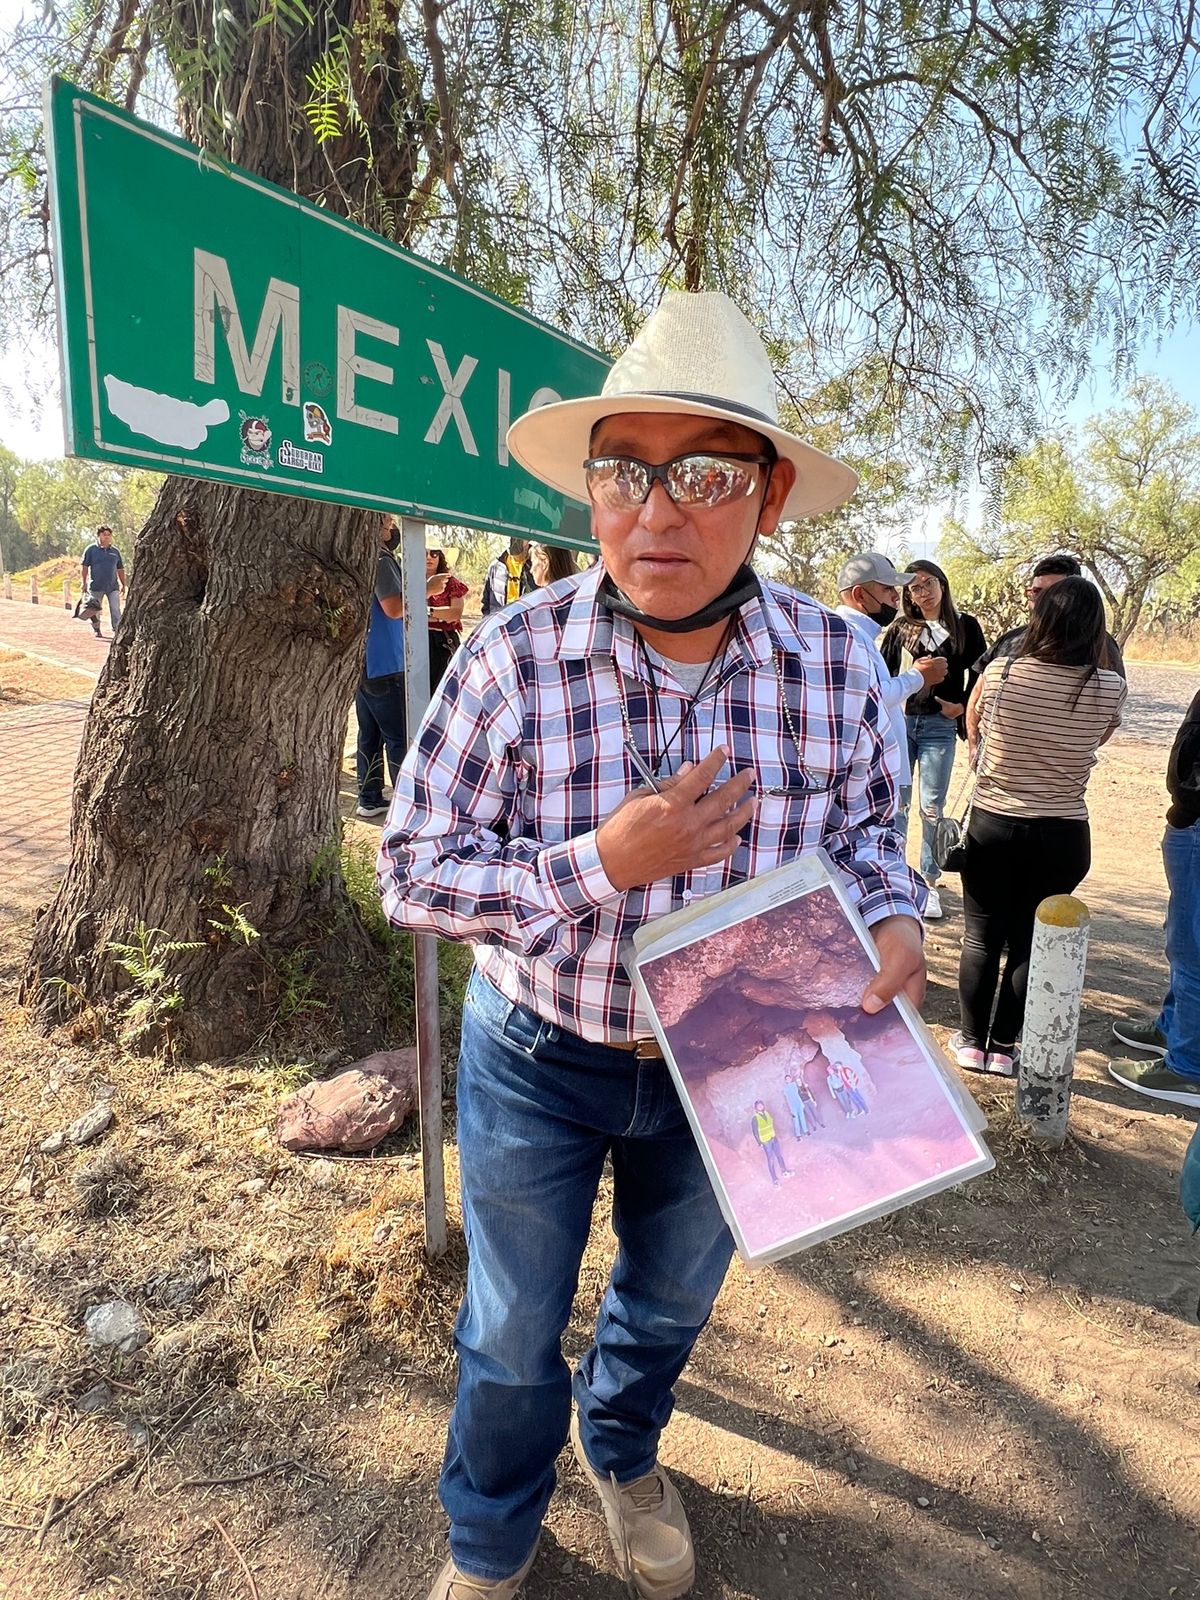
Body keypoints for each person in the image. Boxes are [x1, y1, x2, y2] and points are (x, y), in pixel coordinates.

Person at [377, 289, 926, 1600]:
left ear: (772, 495)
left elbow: (861, 832)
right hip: (538, 1048)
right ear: (588, 492)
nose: (656, 511)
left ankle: (619, 1455)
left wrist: (894, 910)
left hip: (736, 1051)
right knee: (511, 1328)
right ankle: (491, 1538)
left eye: (700, 472)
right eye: (624, 472)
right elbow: (410, 873)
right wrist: (601, 866)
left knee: (673, 1298)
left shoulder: (842, 664)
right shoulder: (513, 658)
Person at [950, 578, 1126, 1075]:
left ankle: (969, 1042)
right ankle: (1004, 1047)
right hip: (1064, 831)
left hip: (995, 823)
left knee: (982, 938)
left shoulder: (1004, 671)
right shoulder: (1110, 686)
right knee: (1031, 943)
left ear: (1040, 618)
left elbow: (974, 722)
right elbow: (1102, 733)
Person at [1108, 686, 1200, 1108]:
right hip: (1191, 823)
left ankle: (1187, 1067)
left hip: (1197, 824)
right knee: (1181, 937)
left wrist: (1188, 803)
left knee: (1192, 949)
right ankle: (1174, 1027)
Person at [880, 560, 986, 923]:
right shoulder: (901, 629)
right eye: (913, 588)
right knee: (898, 804)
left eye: (927, 584)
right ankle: (895, 880)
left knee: (932, 806)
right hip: (903, 725)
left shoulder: (966, 627)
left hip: (940, 726)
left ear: (942, 584)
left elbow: (980, 675)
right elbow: (884, 676)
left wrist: (963, 707)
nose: (920, 592)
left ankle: (928, 882)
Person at [835, 552, 949, 797]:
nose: (897, 597)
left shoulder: (859, 634)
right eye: (887, 589)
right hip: (867, 774)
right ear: (859, 595)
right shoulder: (848, 636)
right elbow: (870, 697)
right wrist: (918, 677)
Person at [973, 554, 1127, 680]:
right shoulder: (1010, 640)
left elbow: (1113, 702)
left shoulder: (1102, 645)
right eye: (1036, 591)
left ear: (1076, 594)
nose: (1042, 600)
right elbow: (979, 696)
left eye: (1053, 593)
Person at [354, 516, 408, 820]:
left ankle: (370, 796)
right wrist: (426, 589)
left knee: (369, 735)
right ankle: (405, 805)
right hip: (388, 662)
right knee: (398, 737)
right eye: (387, 521)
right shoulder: (382, 559)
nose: (391, 527)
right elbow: (394, 607)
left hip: (366, 662)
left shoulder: (359, 554)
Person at [426, 546, 470, 689]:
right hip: (415, 639)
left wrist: (426, 611)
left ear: (440, 557)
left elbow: (455, 614)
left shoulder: (450, 582)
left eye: (434, 553)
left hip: (442, 641)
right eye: (424, 553)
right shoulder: (408, 581)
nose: (429, 557)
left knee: (443, 690)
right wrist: (440, 616)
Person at [79, 525, 125, 638]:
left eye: (109, 535)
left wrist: (123, 584)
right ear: (99, 535)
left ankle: (117, 630)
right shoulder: (91, 550)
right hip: (96, 586)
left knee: (115, 609)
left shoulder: (115, 552)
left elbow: (120, 569)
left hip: (113, 586)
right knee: (95, 610)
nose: (107, 537)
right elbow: (84, 567)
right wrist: (84, 582)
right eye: (104, 534)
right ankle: (96, 629)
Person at [480, 537, 534, 614]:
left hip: (525, 621)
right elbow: (486, 602)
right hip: (500, 620)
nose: (516, 558)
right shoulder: (496, 567)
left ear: (527, 544)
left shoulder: (537, 566)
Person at [751, 1099, 792, 1185]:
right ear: (756, 1108)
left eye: (761, 1105)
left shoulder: (767, 1113)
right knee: (770, 1159)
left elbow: (771, 1124)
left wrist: (776, 1134)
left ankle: (784, 1170)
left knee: (779, 1155)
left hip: (773, 1137)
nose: (760, 1107)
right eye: (759, 1106)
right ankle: (774, 1179)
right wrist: (760, 1143)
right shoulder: (755, 1118)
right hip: (765, 1141)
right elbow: (755, 1132)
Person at [782, 1073, 810, 1138]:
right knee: (796, 1120)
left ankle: (806, 1131)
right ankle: (798, 1134)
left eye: (789, 1078)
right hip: (793, 1106)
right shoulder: (785, 1089)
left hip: (799, 1103)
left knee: (802, 1117)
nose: (788, 1080)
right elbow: (787, 1099)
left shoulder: (794, 1084)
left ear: (791, 1079)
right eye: (787, 1079)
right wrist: (790, 1108)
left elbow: (798, 1095)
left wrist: (801, 1103)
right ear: (785, 1081)